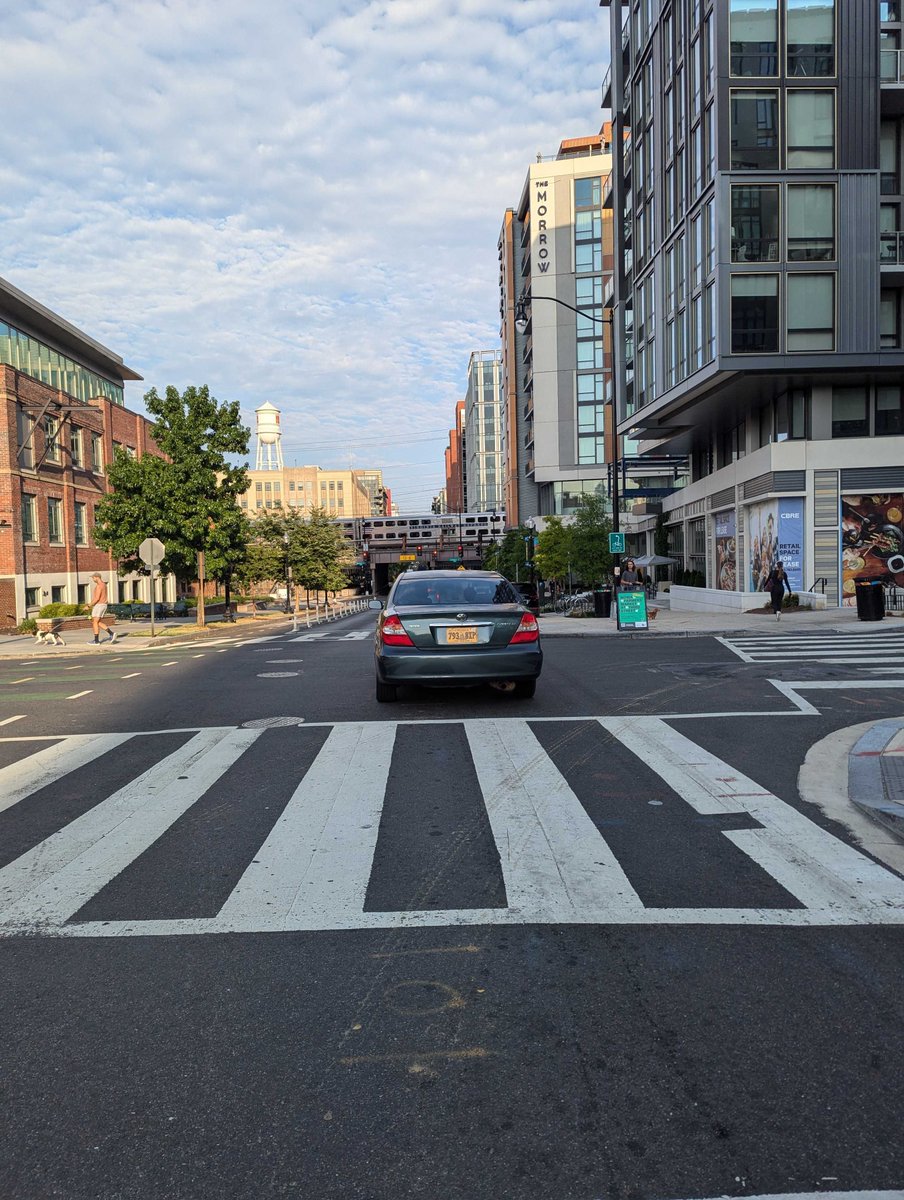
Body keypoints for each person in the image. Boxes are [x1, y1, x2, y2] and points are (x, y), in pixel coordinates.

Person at [89, 573, 117, 644]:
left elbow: (97, 598)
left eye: (93, 578)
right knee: (97, 622)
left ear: (97, 577)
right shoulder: (104, 585)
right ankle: (111, 633)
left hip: (99, 605)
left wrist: (89, 606)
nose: (93, 579)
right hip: (103, 605)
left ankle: (96, 641)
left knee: (95, 622)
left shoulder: (99, 586)